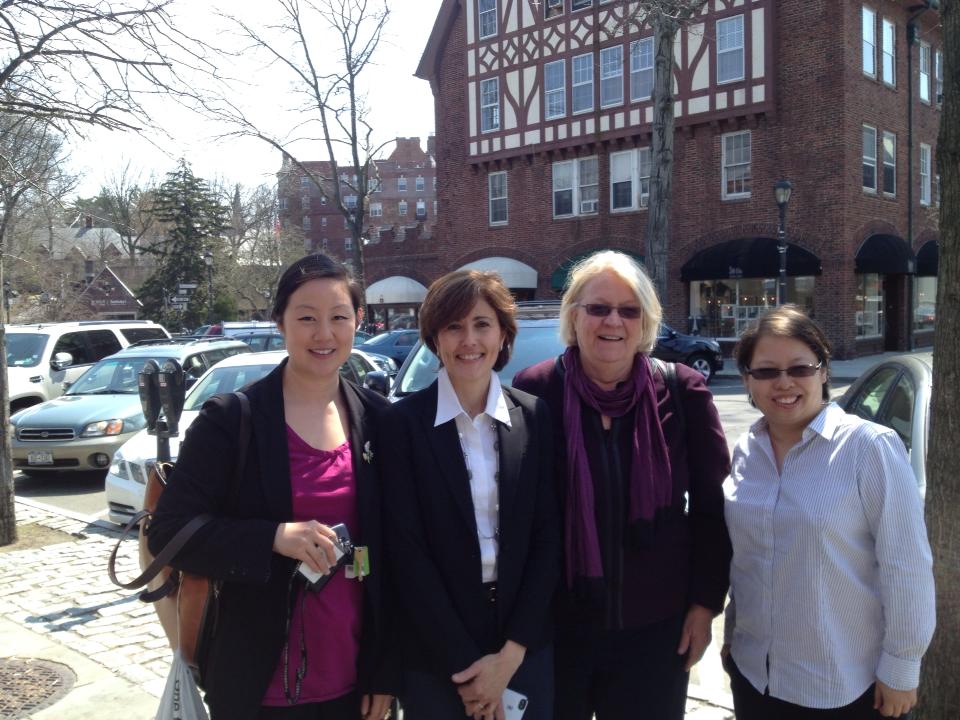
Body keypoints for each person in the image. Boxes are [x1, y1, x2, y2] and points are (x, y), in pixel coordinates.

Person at [148, 254, 395, 720]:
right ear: (279, 321)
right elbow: (168, 534)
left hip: (355, 683)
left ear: (358, 322)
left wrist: (384, 671)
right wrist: (274, 538)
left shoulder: (379, 420)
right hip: (256, 686)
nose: (324, 334)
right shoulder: (229, 421)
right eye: (306, 318)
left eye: (339, 317)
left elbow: (394, 555)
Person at [512, 250, 731, 720]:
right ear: (574, 316)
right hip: (559, 629)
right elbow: (519, 517)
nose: (613, 321)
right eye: (598, 308)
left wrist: (704, 605)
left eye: (628, 310)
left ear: (646, 321)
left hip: (656, 631)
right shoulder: (535, 391)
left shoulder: (683, 392)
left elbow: (715, 510)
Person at [722, 305, 935, 719]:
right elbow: (744, 560)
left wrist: (903, 667)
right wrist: (732, 635)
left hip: (844, 685)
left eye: (799, 368)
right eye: (766, 371)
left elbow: (906, 566)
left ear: (823, 371)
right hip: (754, 675)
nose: (783, 383)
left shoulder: (869, 448)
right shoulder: (747, 450)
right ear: (748, 380)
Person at [379, 270, 560, 720]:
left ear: (502, 334)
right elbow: (407, 552)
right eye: (453, 326)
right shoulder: (400, 426)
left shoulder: (534, 417)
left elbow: (549, 538)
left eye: (482, 324)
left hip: (523, 647)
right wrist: (468, 670)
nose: (469, 340)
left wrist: (511, 656)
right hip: (436, 653)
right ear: (435, 338)